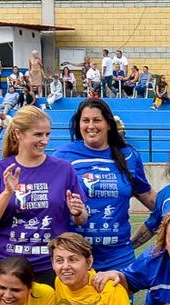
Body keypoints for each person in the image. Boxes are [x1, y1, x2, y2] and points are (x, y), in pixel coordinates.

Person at [0, 106, 89, 283]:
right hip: (9, 268)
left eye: (47, 134)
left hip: (51, 266)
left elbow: (81, 219)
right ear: (18, 134)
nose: (44, 140)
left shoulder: (63, 169)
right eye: (38, 135)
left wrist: (77, 212)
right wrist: (8, 192)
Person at [50, 98, 155, 271]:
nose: (91, 126)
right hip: (75, 258)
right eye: (85, 120)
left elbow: (148, 196)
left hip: (118, 258)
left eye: (97, 120)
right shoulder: (63, 155)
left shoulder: (128, 155)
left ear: (108, 124)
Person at [48, 232, 132, 305]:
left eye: (73, 259)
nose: (65, 266)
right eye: (59, 260)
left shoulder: (112, 289)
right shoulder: (59, 281)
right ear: (52, 263)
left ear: (89, 262)